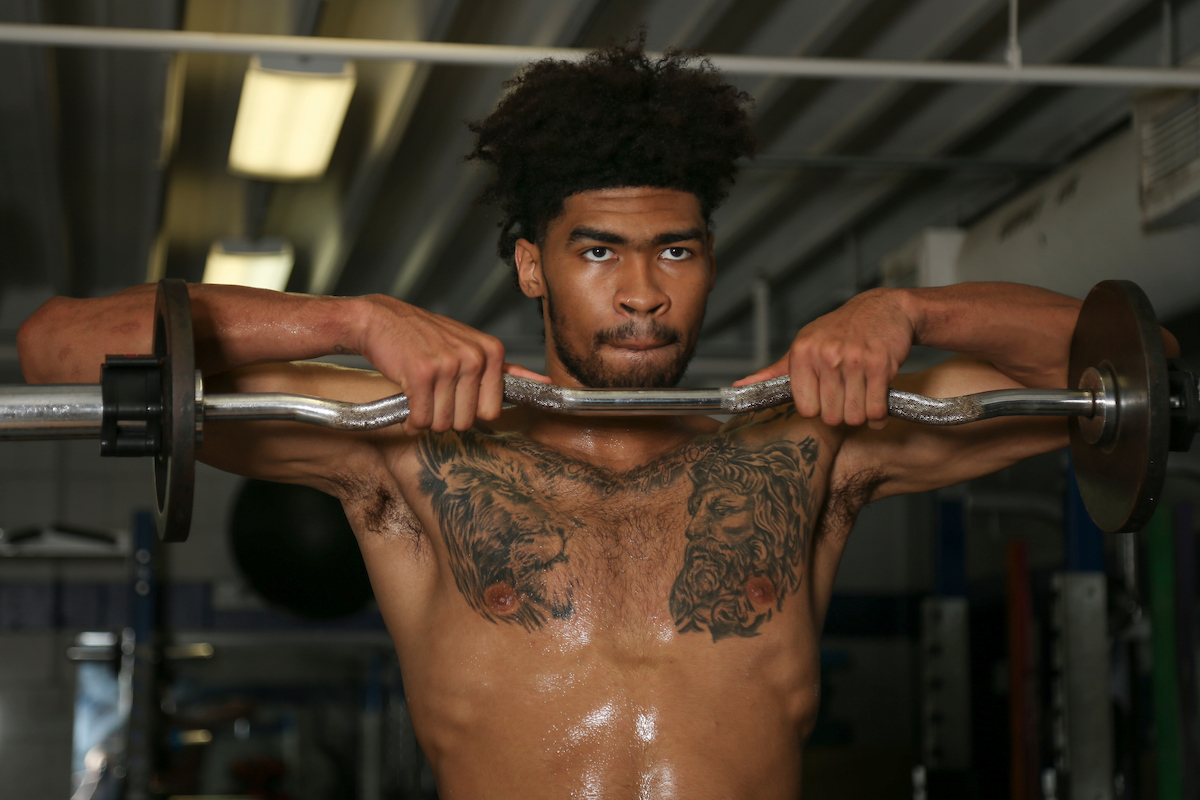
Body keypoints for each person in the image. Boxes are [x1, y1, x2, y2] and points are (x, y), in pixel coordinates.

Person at [20, 42, 1095, 799]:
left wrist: (912, 308)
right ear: (533, 264)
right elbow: (59, 348)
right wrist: (350, 317)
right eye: (597, 252)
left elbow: (1138, 371)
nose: (642, 292)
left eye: (676, 249)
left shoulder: (810, 446)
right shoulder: (405, 445)